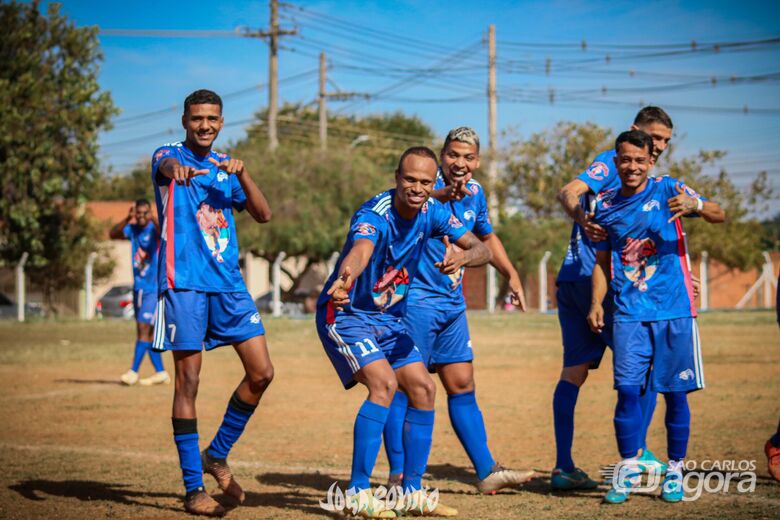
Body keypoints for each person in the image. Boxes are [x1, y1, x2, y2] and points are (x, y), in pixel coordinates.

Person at [316, 146, 491, 517]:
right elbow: (361, 249)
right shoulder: (374, 214)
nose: (416, 187)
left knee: (424, 388)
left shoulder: (433, 212)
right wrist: (346, 277)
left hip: (388, 320)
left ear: (434, 183)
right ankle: (358, 492)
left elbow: (481, 248)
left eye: (425, 181)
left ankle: (410, 491)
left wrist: (462, 256)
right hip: (347, 314)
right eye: (409, 179)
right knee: (383, 384)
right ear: (397, 177)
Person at [381, 127, 534, 495]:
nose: (459, 163)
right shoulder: (422, 191)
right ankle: (398, 475)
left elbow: (485, 236)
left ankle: (486, 471)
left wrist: (510, 272)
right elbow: (406, 200)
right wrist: (437, 192)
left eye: (467, 157)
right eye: (452, 155)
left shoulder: (476, 193)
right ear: (441, 157)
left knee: (462, 384)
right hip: (413, 302)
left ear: (477, 161)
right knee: (405, 388)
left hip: (452, 305)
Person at [150, 89, 273, 517]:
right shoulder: (167, 156)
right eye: (197, 118)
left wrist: (243, 174)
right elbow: (165, 165)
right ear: (184, 120)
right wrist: (176, 170)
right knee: (189, 383)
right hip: (184, 284)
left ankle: (217, 453)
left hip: (230, 286)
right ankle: (192, 488)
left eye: (212, 119)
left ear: (221, 122)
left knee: (262, 373)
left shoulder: (225, 169)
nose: (205, 125)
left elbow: (263, 214)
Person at [587, 130, 725, 504]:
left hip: (674, 310)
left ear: (651, 161)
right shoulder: (604, 204)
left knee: (676, 394)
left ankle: (675, 471)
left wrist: (695, 205)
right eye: (625, 159)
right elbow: (601, 262)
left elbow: (719, 213)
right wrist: (597, 302)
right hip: (629, 312)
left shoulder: (668, 189)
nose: (632, 166)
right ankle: (629, 467)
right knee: (628, 392)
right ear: (616, 162)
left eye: (639, 160)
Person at [551, 107, 675, 489]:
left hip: (571, 278)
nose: (658, 147)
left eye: (665, 142)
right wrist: (582, 218)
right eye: (654, 137)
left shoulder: (640, 177)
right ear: (634, 130)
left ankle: (563, 467)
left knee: (573, 373)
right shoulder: (612, 163)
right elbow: (569, 192)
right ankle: (637, 454)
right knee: (646, 368)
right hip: (598, 282)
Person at [110, 199, 169, 386]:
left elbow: (165, 231)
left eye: (145, 213)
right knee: (144, 333)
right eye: (138, 213)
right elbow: (113, 234)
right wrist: (127, 218)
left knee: (144, 330)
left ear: (150, 212)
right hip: (139, 287)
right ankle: (160, 372)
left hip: (153, 288)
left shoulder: (155, 229)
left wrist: (155, 218)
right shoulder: (133, 229)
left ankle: (133, 371)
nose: (142, 217)